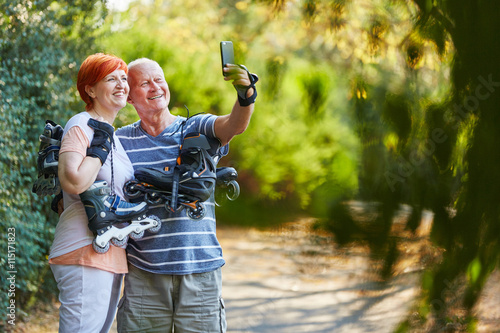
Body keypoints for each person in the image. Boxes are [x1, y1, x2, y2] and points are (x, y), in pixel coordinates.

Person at [115, 58, 258, 332]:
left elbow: (233, 125)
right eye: (144, 83)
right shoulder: (120, 142)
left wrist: (246, 95)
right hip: (144, 275)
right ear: (130, 97)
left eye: (159, 79)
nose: (155, 87)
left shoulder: (195, 128)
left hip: (199, 273)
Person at [48, 53, 137, 332]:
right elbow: (73, 182)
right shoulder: (82, 124)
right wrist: (99, 150)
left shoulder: (111, 133)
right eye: (111, 79)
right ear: (90, 89)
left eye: (124, 78)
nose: (121, 84)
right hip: (84, 249)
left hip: (108, 251)